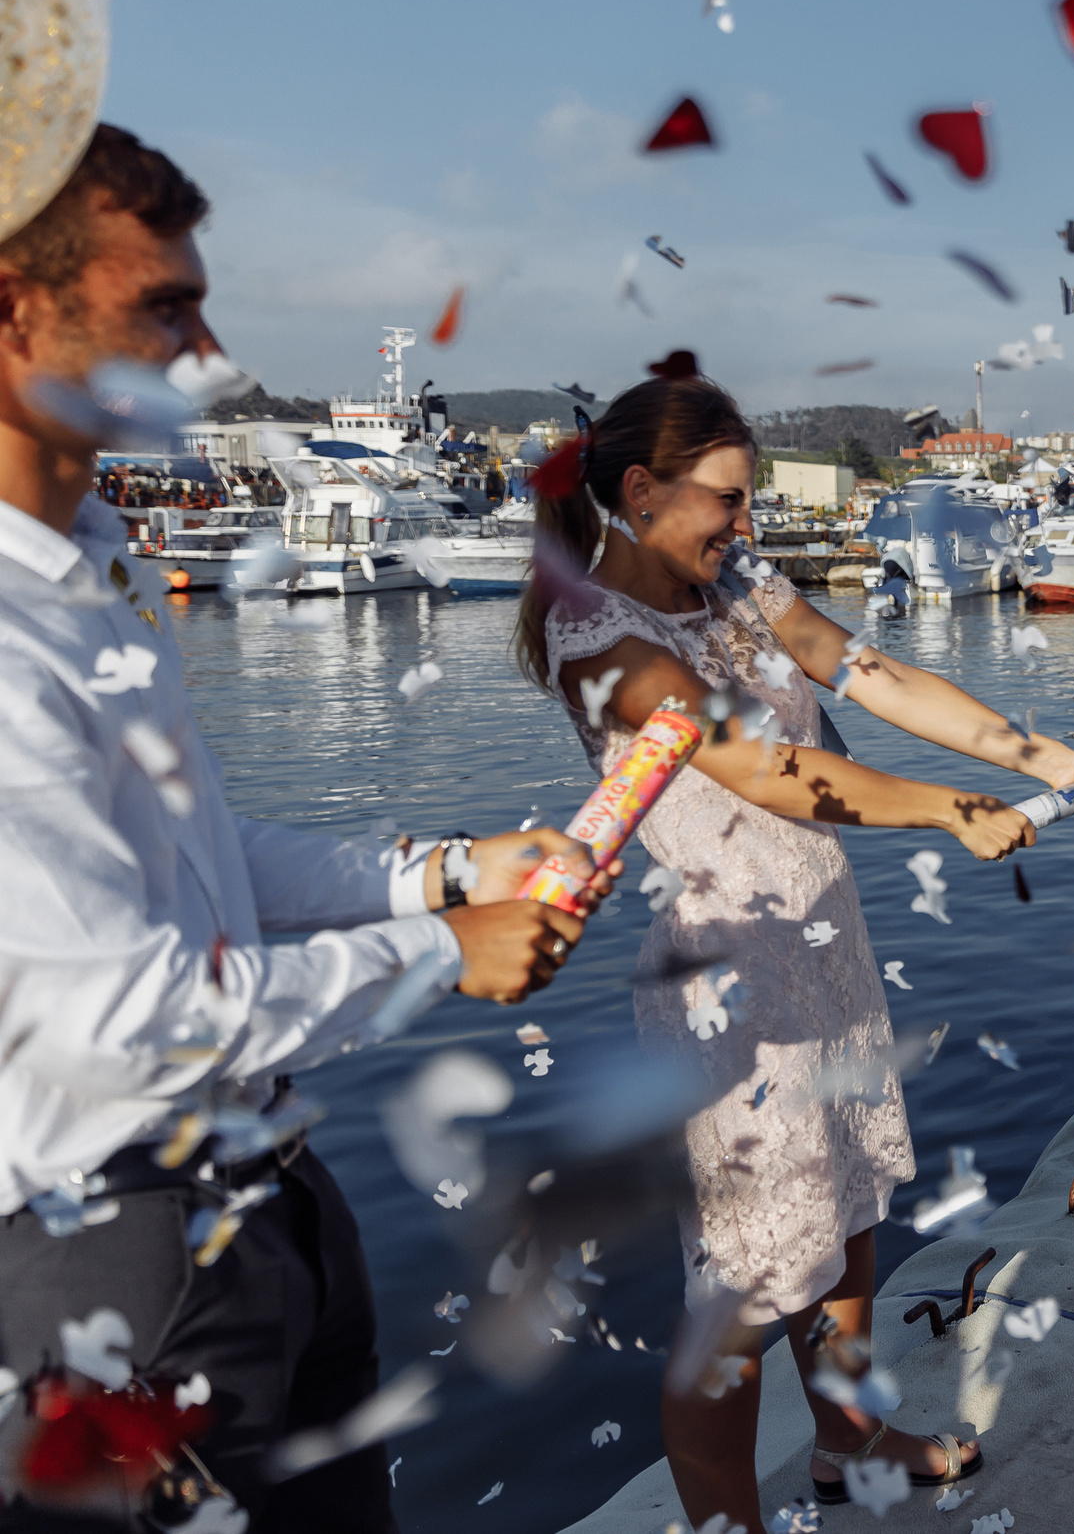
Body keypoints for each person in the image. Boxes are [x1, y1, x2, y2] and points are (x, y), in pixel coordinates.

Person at [0, 125, 618, 1531]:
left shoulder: (93, 566)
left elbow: (200, 843)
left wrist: (439, 870)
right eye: (165, 306)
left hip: (271, 1206)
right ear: (14, 307)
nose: (205, 351)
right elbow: (130, 1018)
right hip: (115, 1256)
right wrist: (439, 952)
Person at [519, 378, 1074, 1528]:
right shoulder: (591, 633)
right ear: (640, 492)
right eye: (727, 502)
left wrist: (1037, 754)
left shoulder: (734, 583)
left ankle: (846, 1439)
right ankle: (727, 1525)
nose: (745, 527)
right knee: (740, 1284)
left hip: (826, 937)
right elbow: (759, 770)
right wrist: (948, 808)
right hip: (729, 981)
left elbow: (870, 676)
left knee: (846, 1210)